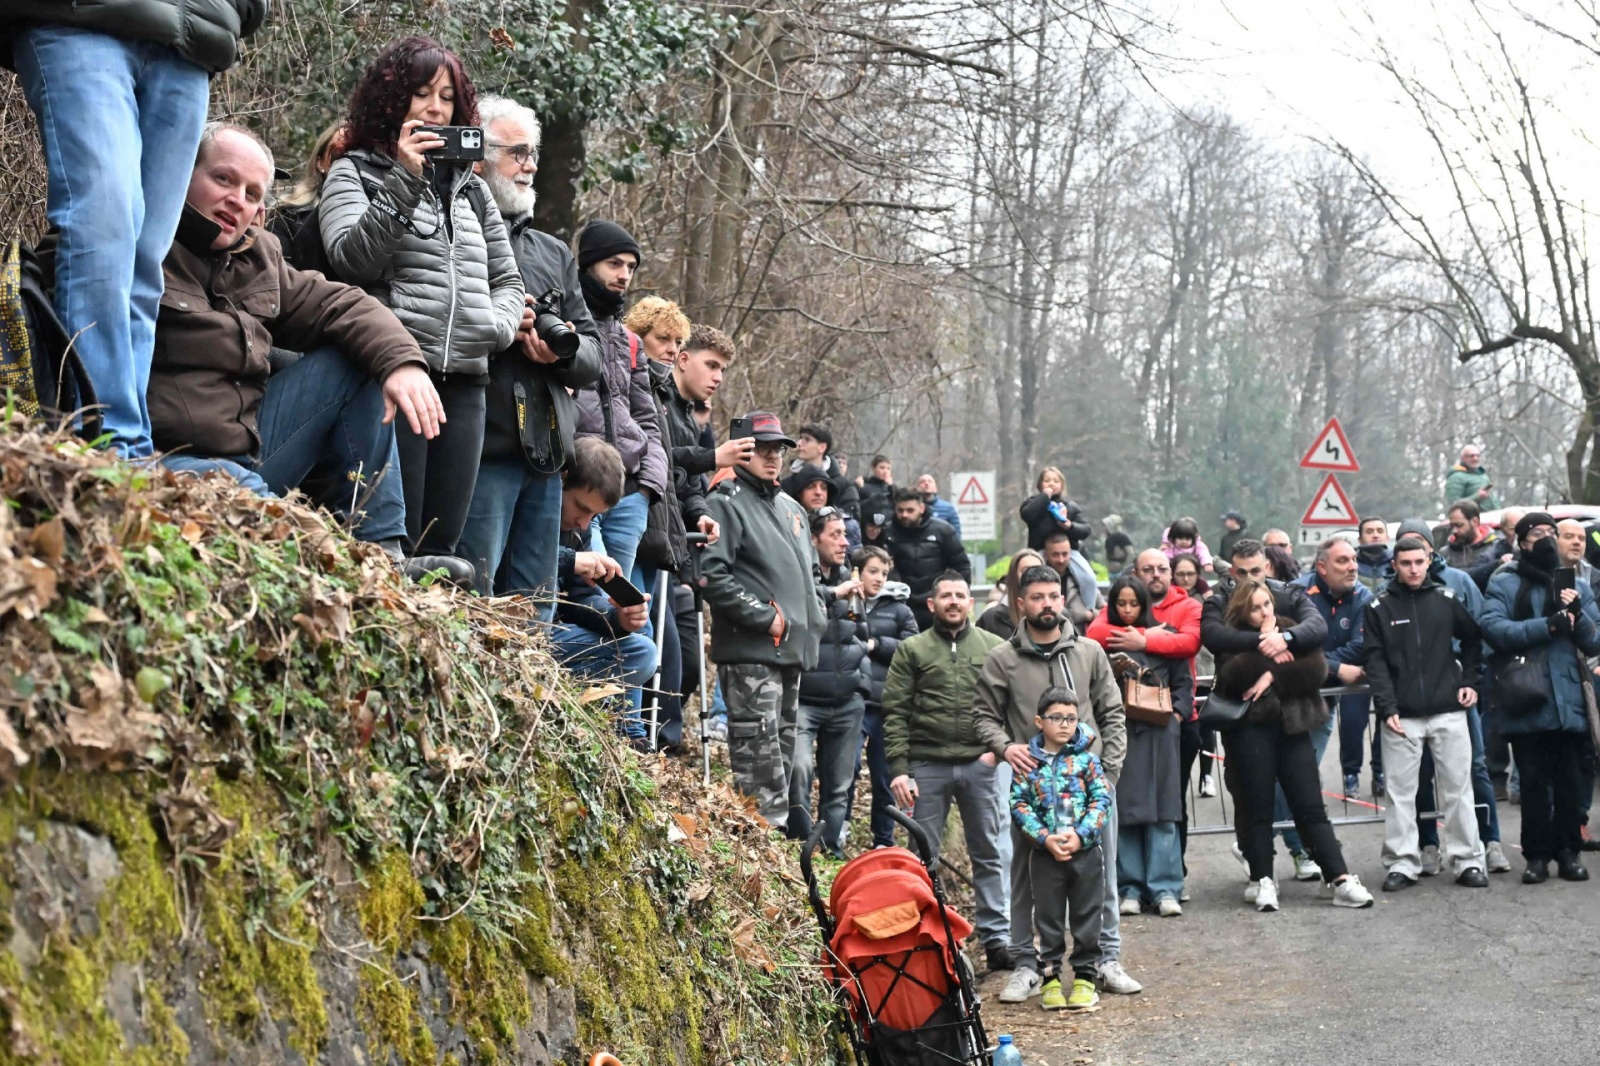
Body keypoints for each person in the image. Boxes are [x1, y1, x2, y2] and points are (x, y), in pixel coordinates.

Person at [151, 123, 453, 576]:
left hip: (250, 450)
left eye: (253, 194)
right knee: (250, 498)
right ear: (182, 173)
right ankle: (326, 556)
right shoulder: (140, 241)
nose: (238, 200)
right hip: (166, 456)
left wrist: (403, 363)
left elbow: (342, 303)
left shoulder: (259, 257)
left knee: (362, 356)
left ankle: (382, 554)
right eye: (224, 180)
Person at [6, 0, 267, 459]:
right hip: (79, 19)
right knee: (100, 233)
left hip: (192, 37)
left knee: (146, 266)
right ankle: (112, 446)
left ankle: (128, 449)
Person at [320, 37, 525, 577]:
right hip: (396, 374)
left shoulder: (473, 191)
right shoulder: (354, 172)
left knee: (444, 544)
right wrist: (405, 179)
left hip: (467, 380)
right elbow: (351, 262)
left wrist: (495, 328)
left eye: (447, 98)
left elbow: (506, 278)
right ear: (392, 101)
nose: (436, 109)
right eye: (421, 95)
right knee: (396, 537)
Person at [456, 95, 603, 614]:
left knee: (535, 610)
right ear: (478, 159)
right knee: (475, 601)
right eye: (518, 152)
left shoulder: (554, 252)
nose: (531, 165)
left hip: (545, 460)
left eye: (533, 153)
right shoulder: (452, 229)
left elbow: (593, 356)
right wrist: (499, 323)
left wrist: (557, 352)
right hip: (480, 450)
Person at [974, 565, 1140, 1001]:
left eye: (1053, 595)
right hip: (1032, 792)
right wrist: (1006, 747)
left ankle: (1105, 960)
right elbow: (983, 717)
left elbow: (1112, 715)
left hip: (1091, 792)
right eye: (1037, 597)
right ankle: (1027, 965)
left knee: (1100, 877)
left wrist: (1108, 774)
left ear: (1062, 600)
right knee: (1026, 879)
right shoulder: (1002, 660)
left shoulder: (1089, 652)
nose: (1047, 604)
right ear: (1021, 604)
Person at [1210, 578, 1374, 911]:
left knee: (1310, 804)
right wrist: (1267, 649)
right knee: (1258, 807)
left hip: (1294, 726)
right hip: (1251, 730)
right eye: (1255, 607)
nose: (1263, 612)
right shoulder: (1233, 637)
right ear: (1243, 610)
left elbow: (1316, 669)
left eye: (1266, 604)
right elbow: (1233, 676)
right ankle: (1264, 880)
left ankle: (1339, 878)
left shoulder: (1290, 628)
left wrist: (1273, 675)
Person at [699, 412, 824, 833]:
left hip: (792, 652)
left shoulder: (791, 507)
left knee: (784, 760)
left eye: (778, 449)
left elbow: (814, 574)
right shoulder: (725, 501)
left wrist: (815, 618)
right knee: (759, 760)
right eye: (762, 448)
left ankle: (777, 849)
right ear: (741, 451)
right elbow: (710, 575)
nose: (773, 456)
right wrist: (767, 619)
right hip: (753, 653)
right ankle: (758, 847)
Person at [881, 572, 1009, 969]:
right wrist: (900, 770)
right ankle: (927, 938)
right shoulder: (912, 650)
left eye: (960, 595)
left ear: (971, 603)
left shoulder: (994, 647)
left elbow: (1010, 703)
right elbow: (895, 710)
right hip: (926, 765)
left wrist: (996, 751)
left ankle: (998, 938)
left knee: (989, 852)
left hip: (979, 764)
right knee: (921, 856)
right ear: (931, 604)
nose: (953, 601)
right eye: (945, 596)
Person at [1481, 511, 1600, 883]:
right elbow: (1494, 628)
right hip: (1525, 693)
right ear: (1522, 541)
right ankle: (1536, 857)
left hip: (1567, 696)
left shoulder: (1576, 582)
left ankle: (1568, 853)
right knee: (1532, 781)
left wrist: (1576, 614)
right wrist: (1547, 625)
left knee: (1569, 780)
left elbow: (1594, 638)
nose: (1546, 538)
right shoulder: (1504, 580)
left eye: (1552, 531)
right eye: (1537, 533)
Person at [1364, 535, 1489, 890]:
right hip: (1401, 716)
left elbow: (1474, 640)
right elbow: (1374, 661)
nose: (1414, 569)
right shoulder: (1378, 607)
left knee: (1458, 790)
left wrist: (1470, 681)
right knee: (1400, 794)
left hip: (1448, 709)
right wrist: (1386, 706)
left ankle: (1468, 860)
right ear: (1395, 565)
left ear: (1429, 559)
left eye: (1419, 562)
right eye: (1406, 563)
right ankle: (1402, 863)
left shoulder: (1446, 599)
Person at [571, 219, 668, 588]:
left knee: (620, 602)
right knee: (584, 592)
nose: (624, 275)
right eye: (614, 264)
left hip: (628, 494)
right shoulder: (566, 323)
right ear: (589, 264)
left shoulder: (630, 342)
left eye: (630, 267)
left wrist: (647, 488)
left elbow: (648, 419)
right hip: (578, 486)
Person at [1086, 574, 1191, 916]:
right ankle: (1129, 886)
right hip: (1122, 734)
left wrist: (1176, 714)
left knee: (1164, 811)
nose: (1129, 610)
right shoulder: (1104, 642)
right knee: (1126, 811)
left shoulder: (1165, 636)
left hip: (1160, 734)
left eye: (1135, 603)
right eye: (1122, 604)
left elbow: (1183, 682)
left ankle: (1165, 887)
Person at [1008, 687, 1112, 1013]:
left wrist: (1082, 835)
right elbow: (1019, 804)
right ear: (1040, 721)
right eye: (1056, 718)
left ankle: (1085, 976)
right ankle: (1050, 978)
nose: (1064, 725)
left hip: (1086, 853)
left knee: (1087, 916)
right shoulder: (1028, 764)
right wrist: (1043, 838)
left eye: (1071, 718)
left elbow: (1101, 800)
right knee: (1049, 918)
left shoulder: (1088, 762)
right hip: (1044, 856)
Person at [549, 438, 656, 747]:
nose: (584, 523)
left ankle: (570, 700)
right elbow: (513, 561)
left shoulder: (580, 529)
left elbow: (579, 601)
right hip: (521, 633)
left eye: (593, 517)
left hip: (558, 636)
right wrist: (570, 561)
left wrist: (617, 618)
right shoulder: (531, 505)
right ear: (563, 478)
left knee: (643, 652)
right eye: (581, 508)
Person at [791, 509, 870, 853]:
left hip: (847, 701)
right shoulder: (800, 576)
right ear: (814, 538)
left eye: (845, 535)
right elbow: (799, 611)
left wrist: (861, 685)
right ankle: (798, 846)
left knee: (839, 787)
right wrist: (833, 593)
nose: (844, 541)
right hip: (805, 699)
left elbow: (862, 635)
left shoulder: (851, 580)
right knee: (799, 770)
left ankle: (830, 854)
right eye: (835, 534)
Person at [1294, 540, 1378, 804]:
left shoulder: (1364, 597)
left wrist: (1313, 662)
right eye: (1342, 561)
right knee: (1284, 774)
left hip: (1324, 700)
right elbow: (1290, 649)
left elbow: (1359, 647)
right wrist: (1337, 667)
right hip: (1290, 694)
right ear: (1322, 566)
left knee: (1304, 775)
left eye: (1354, 559)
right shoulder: (1297, 593)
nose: (1352, 567)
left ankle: (1300, 841)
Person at [855, 546, 917, 849]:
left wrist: (876, 645)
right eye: (873, 571)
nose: (879, 579)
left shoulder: (900, 609)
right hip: (854, 700)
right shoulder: (846, 602)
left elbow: (911, 649)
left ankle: (883, 840)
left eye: (883, 573)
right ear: (858, 572)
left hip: (887, 704)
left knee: (883, 777)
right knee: (847, 767)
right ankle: (837, 830)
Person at [884, 486, 971, 630]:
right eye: (900, 510)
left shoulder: (943, 530)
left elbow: (961, 566)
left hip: (936, 602)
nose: (904, 515)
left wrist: (956, 596)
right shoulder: (888, 532)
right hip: (902, 601)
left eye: (910, 510)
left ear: (921, 508)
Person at [269, 121, 346, 276]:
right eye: (338, 154)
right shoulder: (286, 216)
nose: (348, 163)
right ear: (320, 163)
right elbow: (280, 278)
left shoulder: (384, 212)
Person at [782, 464, 862, 551]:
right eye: (811, 487)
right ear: (799, 493)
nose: (818, 492)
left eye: (823, 488)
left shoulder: (846, 525)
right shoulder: (786, 524)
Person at [791, 423, 861, 520]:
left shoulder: (844, 486)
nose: (799, 443)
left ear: (822, 447)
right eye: (800, 438)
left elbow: (852, 525)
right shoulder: (788, 483)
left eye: (806, 440)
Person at [1043, 530, 1104, 633]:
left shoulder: (1083, 580)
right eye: (1055, 555)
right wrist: (1080, 615)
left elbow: (1104, 610)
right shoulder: (1039, 582)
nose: (1061, 560)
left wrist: (1090, 615)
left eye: (1065, 554)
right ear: (1046, 555)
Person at [1019, 465, 1090, 551]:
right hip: (1040, 551)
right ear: (1040, 484)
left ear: (1062, 486)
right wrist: (1044, 497)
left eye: (1056, 481)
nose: (1051, 484)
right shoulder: (1033, 502)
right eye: (1047, 481)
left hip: (1068, 553)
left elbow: (1085, 530)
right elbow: (1027, 514)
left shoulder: (1070, 506)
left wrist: (1069, 526)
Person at [977, 550, 1043, 640]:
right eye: (1025, 570)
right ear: (1014, 576)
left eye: (1038, 570)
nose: (1032, 575)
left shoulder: (1055, 614)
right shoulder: (991, 619)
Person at [1445, 498, 1500, 571]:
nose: (1454, 531)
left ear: (1475, 521)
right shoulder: (1445, 554)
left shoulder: (1496, 547)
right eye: (1452, 526)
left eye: (1459, 525)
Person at [1444, 444, 1498, 510]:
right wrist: (1477, 496)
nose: (1475, 458)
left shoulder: (1483, 476)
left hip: (1494, 515)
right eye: (1471, 456)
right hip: (1472, 518)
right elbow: (1454, 504)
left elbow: (1492, 499)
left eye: (1477, 456)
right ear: (1463, 458)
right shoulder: (1456, 477)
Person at [915, 474, 962, 540]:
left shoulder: (948, 508)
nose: (926, 483)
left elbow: (956, 533)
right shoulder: (913, 509)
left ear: (935, 488)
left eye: (930, 481)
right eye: (922, 482)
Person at [1356, 516, 1391, 591]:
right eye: (1369, 532)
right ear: (1360, 540)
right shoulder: (1351, 564)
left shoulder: (1397, 563)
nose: (1375, 535)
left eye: (1380, 531)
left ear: (1388, 538)